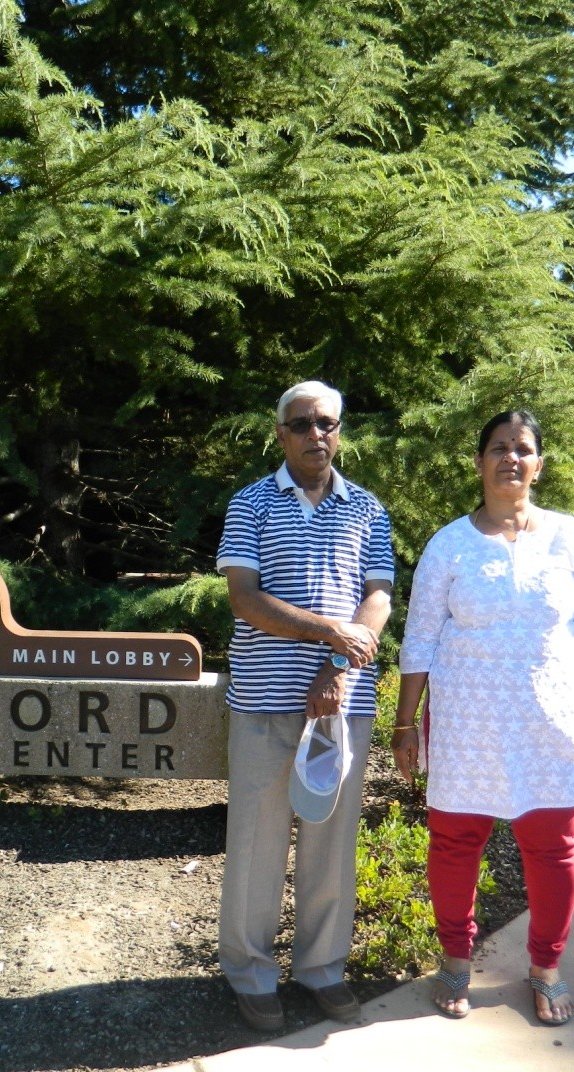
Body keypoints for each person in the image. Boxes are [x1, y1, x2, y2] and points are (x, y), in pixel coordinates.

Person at [392, 409, 574, 1027]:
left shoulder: (572, 540)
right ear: (479, 462)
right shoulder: (449, 544)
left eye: (522, 449)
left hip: (551, 723)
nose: (510, 459)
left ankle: (546, 967)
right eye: (498, 448)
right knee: (454, 844)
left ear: (539, 465)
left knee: (553, 849)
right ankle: (455, 961)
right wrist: (404, 725)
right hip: (466, 725)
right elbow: (417, 642)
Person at [215, 380, 394, 1031]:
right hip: (262, 701)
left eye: (326, 423)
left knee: (329, 840)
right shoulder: (250, 504)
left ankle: (321, 969)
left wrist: (338, 667)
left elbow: (376, 600)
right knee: (256, 843)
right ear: (279, 433)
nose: (314, 434)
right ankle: (249, 973)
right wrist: (328, 632)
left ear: (339, 430)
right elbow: (246, 600)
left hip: (342, 706)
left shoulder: (367, 509)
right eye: (300, 424)